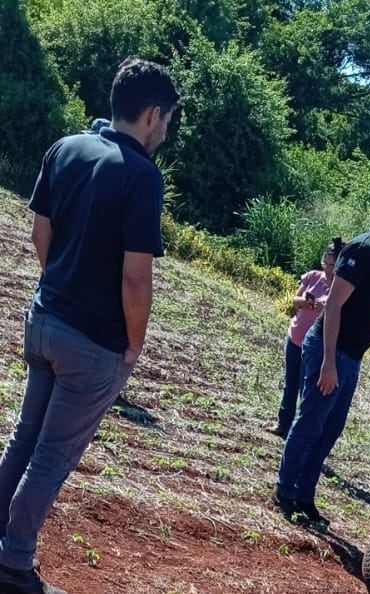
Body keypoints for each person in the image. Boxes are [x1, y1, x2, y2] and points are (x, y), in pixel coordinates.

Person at [0, 59, 179, 594]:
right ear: (152, 114)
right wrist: (134, 344)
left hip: (44, 318)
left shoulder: (67, 148)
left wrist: (61, 285)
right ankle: (13, 564)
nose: (166, 131)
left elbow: (39, 234)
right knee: (53, 456)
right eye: (167, 120)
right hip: (94, 343)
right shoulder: (143, 177)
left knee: (24, 439)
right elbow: (135, 281)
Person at [273, 200, 370, 523]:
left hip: (350, 358)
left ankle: (304, 494)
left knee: (329, 429)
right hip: (331, 353)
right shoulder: (361, 251)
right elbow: (334, 307)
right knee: (311, 422)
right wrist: (328, 362)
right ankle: (285, 491)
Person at [266, 238, 342, 438]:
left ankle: (298, 433)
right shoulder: (312, 277)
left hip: (314, 347)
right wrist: (306, 301)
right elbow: (295, 300)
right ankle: (283, 424)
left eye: (332, 265)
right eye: (325, 263)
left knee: (304, 390)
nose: (327, 268)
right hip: (295, 338)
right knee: (290, 384)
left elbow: (336, 314)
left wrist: (323, 307)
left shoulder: (340, 289)